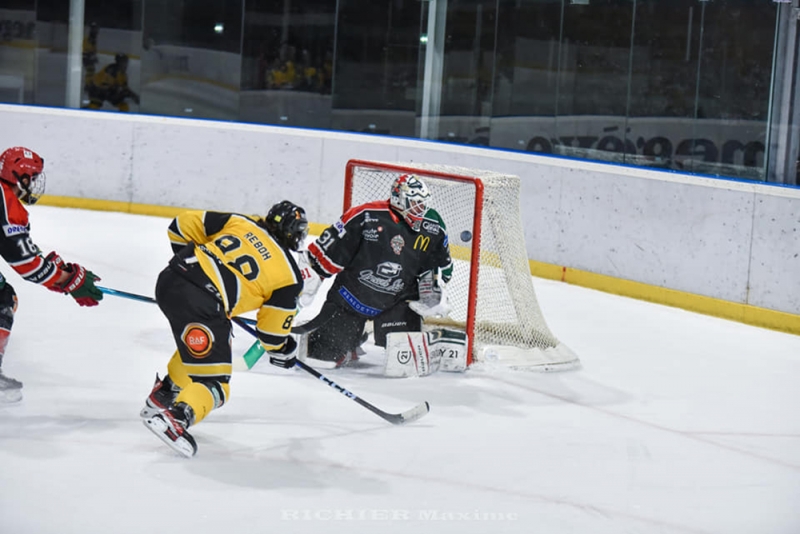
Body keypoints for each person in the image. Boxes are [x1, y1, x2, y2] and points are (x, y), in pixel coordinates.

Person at [140, 201, 309, 458]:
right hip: (201, 304)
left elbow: (179, 225)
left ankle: (164, 394)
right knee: (216, 384)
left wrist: (188, 269)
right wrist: (284, 349)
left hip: (169, 279)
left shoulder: (240, 222)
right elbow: (272, 335)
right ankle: (176, 418)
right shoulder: (290, 276)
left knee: (209, 343)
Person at [302, 174, 453, 369]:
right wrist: (313, 275)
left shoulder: (433, 226)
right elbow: (326, 253)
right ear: (399, 199)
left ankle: (372, 330)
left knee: (407, 364)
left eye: (422, 204)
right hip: (351, 300)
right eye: (415, 204)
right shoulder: (365, 215)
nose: (420, 210)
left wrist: (435, 290)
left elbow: (440, 266)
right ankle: (353, 335)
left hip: (397, 303)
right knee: (322, 358)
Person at [0, 147, 104, 403]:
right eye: (32, 177)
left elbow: (25, 251)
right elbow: (26, 264)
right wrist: (68, 281)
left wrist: (64, 274)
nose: (34, 184)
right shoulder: (7, 204)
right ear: (20, 177)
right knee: (2, 300)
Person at [82, 23, 99, 93]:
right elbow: (88, 48)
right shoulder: (90, 38)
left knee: (91, 70)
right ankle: (88, 85)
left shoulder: (93, 38)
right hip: (86, 56)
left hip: (88, 56)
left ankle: (89, 84)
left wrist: (94, 56)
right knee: (90, 70)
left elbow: (93, 48)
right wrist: (91, 55)